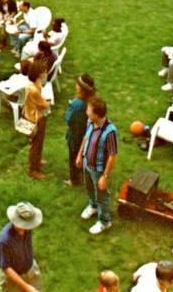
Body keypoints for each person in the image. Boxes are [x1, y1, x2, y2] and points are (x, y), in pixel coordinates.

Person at [77, 97, 118, 235]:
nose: (86, 111)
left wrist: (105, 177)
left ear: (96, 114)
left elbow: (112, 155)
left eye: (88, 110)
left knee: (102, 196)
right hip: (87, 164)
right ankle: (93, 206)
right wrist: (80, 155)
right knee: (89, 188)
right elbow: (86, 138)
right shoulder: (90, 121)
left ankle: (105, 222)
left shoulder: (110, 131)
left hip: (99, 170)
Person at [0, 201, 43, 292]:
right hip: (13, 280)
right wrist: (26, 287)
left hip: (31, 269)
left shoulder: (27, 230)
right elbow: (6, 268)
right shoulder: (5, 240)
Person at [63, 73, 95, 187]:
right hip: (86, 133)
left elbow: (67, 119)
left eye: (77, 84)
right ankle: (83, 174)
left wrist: (70, 105)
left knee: (73, 157)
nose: (75, 85)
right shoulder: (91, 101)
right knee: (82, 155)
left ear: (81, 88)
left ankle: (74, 181)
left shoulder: (76, 104)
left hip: (75, 135)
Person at [23, 59, 51, 180]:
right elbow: (44, 105)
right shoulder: (33, 89)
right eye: (44, 71)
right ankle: (33, 170)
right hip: (35, 119)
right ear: (39, 73)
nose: (46, 73)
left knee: (39, 142)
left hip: (34, 115)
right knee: (36, 144)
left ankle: (37, 161)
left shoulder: (33, 83)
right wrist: (48, 103)